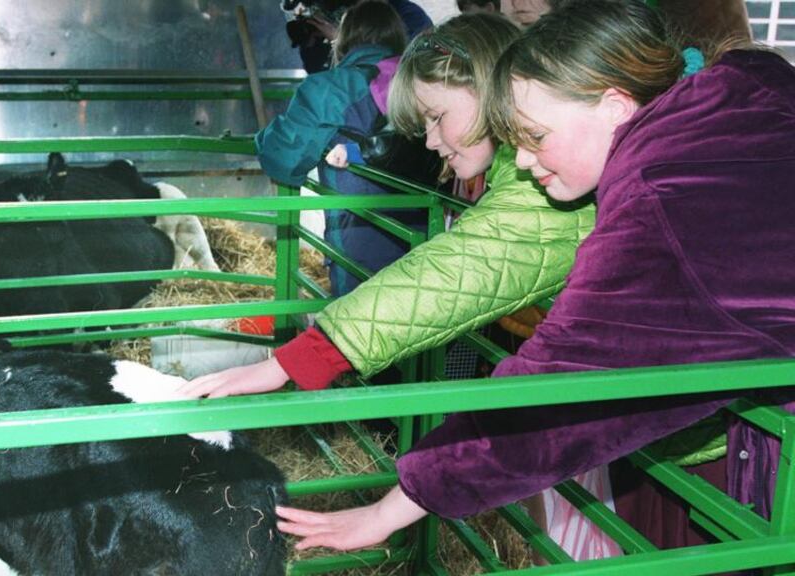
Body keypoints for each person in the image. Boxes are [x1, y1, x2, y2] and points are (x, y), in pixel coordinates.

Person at [252, 0, 795, 553]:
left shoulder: (663, 201)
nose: (528, 163)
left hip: (763, 452)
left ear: (613, 104)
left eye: (535, 137)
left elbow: (561, 386)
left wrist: (393, 507)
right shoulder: (739, 90)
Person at [259, 1, 433, 298]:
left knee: (363, 330)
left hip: (362, 248)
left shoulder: (331, 87)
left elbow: (285, 159)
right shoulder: (426, 78)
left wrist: (261, 138)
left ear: (342, 37)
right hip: (433, 240)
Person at [282, 0, 433, 74]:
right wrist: (312, 42)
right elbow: (316, 72)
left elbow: (389, 79)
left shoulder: (409, 17)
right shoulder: (327, 20)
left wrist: (340, 42)